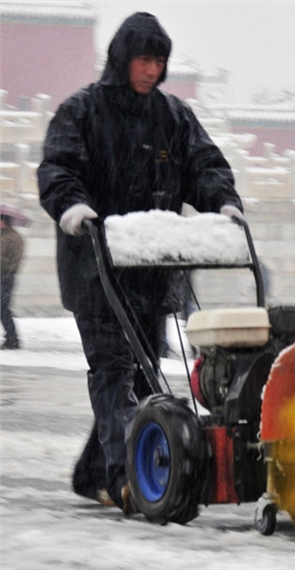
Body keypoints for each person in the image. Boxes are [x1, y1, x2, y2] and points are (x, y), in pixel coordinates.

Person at [37, 12, 244, 512]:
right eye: (143, 59)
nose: (151, 70)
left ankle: (94, 472)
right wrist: (72, 208)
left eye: (159, 61)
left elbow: (204, 165)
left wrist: (224, 202)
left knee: (141, 373)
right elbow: (57, 167)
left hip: (151, 268)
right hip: (97, 267)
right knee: (112, 368)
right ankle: (122, 477)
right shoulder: (82, 112)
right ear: (122, 59)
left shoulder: (173, 117)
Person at [1, 215, 25, 349]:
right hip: (3, 275)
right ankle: (11, 338)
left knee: (3, 308)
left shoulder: (14, 238)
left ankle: (12, 339)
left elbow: (12, 260)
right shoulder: (3, 236)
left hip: (6, 276)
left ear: (4, 222)